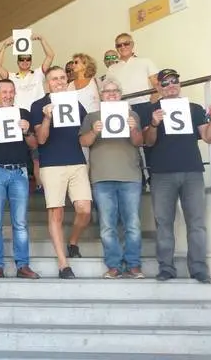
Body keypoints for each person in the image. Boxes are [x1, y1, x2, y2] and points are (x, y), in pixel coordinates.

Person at [143, 69, 211, 284]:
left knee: (197, 223)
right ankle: (166, 267)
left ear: (179, 83)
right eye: (165, 83)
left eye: (174, 81)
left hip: (192, 171)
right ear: (158, 87)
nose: (170, 86)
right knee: (163, 223)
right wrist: (154, 124)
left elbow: (209, 137)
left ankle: (198, 268)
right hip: (162, 174)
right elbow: (148, 142)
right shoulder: (151, 110)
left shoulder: (194, 109)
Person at [79, 77, 144, 279]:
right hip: (102, 177)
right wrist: (94, 131)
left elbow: (139, 142)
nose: (112, 94)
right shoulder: (91, 116)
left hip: (130, 176)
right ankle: (114, 265)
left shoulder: (132, 114)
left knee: (132, 224)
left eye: (115, 91)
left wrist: (133, 128)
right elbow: (83, 142)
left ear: (121, 94)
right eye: (107, 91)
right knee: (107, 226)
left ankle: (133, 265)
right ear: (101, 96)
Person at [31, 66, 92, 279]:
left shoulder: (76, 103)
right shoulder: (38, 105)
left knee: (84, 209)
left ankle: (73, 241)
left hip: (76, 161)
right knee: (56, 213)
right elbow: (41, 140)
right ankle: (63, 264)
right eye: (54, 79)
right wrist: (47, 117)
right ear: (47, 83)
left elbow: (84, 136)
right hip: (52, 164)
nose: (59, 82)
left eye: (62, 78)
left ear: (67, 80)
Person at [0, 79, 40, 279]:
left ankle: (23, 265)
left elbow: (34, 144)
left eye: (11, 91)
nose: (8, 95)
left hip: (19, 172)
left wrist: (27, 131)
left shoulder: (24, 114)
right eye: (3, 92)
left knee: (20, 223)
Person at [0, 34, 54, 194]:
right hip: (16, 118)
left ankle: (40, 185)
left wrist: (42, 39)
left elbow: (50, 56)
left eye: (28, 59)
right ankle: (15, 182)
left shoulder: (38, 73)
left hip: (36, 115)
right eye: (22, 59)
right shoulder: (12, 77)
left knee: (37, 154)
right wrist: (5, 46)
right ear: (18, 61)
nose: (25, 62)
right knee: (18, 151)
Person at [106, 33, 159, 117]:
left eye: (126, 43)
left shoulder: (146, 61)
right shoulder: (111, 68)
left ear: (132, 44)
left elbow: (157, 85)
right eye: (119, 45)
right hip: (121, 108)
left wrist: (151, 105)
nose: (123, 47)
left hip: (144, 106)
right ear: (116, 48)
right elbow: (108, 91)